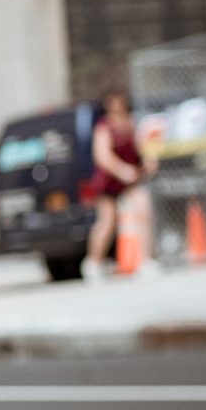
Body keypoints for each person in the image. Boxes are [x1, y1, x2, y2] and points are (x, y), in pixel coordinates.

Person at [82, 87, 151, 279]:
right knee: (107, 222)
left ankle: (144, 260)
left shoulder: (130, 123)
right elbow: (102, 156)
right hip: (109, 181)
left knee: (143, 212)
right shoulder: (104, 126)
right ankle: (93, 263)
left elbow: (140, 149)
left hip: (130, 179)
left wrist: (146, 162)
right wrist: (121, 170)